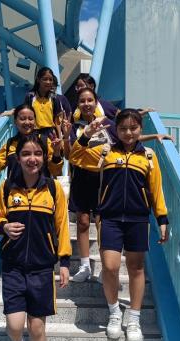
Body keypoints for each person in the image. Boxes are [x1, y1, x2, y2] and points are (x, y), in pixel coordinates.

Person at [69, 108, 169, 341]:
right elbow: (75, 156)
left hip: (138, 219)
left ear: (140, 129)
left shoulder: (148, 157)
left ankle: (134, 318)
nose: (128, 133)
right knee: (110, 267)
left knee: (136, 268)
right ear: (116, 129)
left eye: (133, 128)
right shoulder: (106, 152)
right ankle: (114, 312)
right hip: (110, 219)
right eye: (123, 128)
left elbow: (156, 190)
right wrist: (86, 134)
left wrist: (162, 219)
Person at [0, 134, 71, 341]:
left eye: (37, 153)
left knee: (37, 327)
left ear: (44, 158)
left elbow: (62, 225)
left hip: (41, 268)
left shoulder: (53, 189)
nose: (32, 159)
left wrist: (64, 262)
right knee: (14, 325)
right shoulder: (7, 187)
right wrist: (4, 226)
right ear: (18, 158)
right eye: (26, 154)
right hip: (13, 266)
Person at [61, 87, 117, 282]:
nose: (86, 104)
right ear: (78, 104)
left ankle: (104, 267)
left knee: (102, 223)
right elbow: (68, 155)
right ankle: (84, 266)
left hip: (103, 179)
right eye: (82, 101)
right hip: (81, 178)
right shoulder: (74, 127)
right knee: (83, 222)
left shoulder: (108, 124)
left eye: (90, 100)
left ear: (96, 102)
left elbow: (122, 142)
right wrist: (65, 136)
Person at [0, 103, 63, 178]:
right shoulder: (10, 143)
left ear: (35, 121)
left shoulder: (44, 141)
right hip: (15, 192)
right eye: (22, 119)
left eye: (30, 119)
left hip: (40, 191)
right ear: (15, 121)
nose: (27, 122)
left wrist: (56, 152)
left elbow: (56, 171)